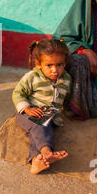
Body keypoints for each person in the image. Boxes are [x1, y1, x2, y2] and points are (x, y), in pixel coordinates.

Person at [12, 39, 71, 175]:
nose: (55, 70)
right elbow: (17, 93)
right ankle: (47, 151)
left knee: (38, 134)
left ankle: (36, 161)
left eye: (59, 65)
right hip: (27, 112)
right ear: (38, 64)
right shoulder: (32, 77)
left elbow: (66, 97)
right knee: (39, 126)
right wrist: (26, 108)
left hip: (49, 116)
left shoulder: (66, 79)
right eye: (49, 65)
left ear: (65, 63)